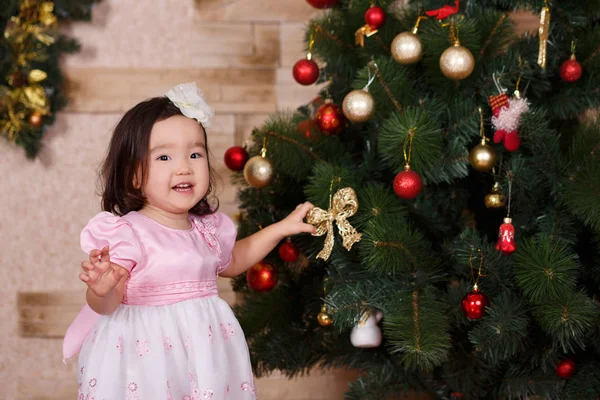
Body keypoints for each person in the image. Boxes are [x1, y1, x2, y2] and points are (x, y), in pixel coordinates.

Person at [62, 82, 316, 399]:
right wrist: (99, 289)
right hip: (148, 358)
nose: (184, 167)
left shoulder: (206, 230)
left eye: (195, 154)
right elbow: (109, 301)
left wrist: (281, 228)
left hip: (205, 353)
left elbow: (235, 260)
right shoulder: (129, 233)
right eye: (164, 157)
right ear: (134, 175)